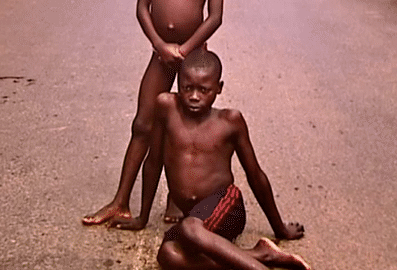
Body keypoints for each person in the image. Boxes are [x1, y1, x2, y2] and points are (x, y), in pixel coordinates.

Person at [83, 0, 224, 225]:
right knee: (142, 124)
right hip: (161, 54)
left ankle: (179, 202)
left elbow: (215, 16)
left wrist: (186, 49)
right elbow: (141, 8)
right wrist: (161, 45)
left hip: (194, 61)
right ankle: (120, 201)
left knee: (185, 130)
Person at [112, 50, 311, 270]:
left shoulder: (230, 121)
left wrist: (280, 228)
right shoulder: (166, 108)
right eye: (188, 88)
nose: (195, 96)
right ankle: (260, 255)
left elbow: (255, 175)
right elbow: (153, 163)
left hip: (227, 206)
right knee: (168, 255)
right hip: (196, 219)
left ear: (219, 88)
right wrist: (142, 217)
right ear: (179, 83)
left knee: (189, 228)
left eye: (204, 90)